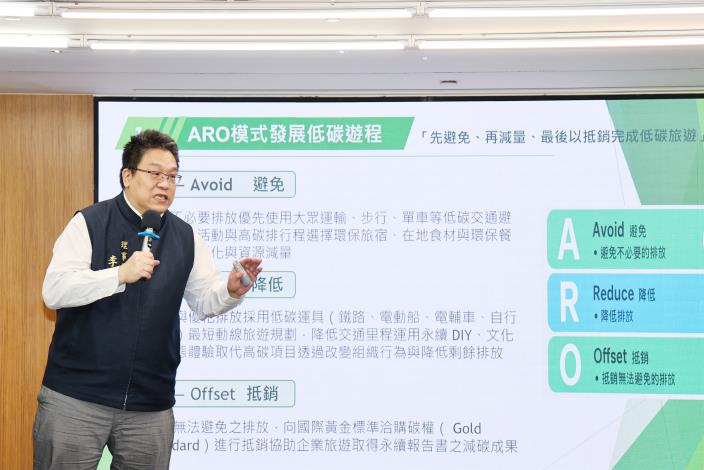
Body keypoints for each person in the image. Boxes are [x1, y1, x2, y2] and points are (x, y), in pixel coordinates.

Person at [33, 129, 262, 470]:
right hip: (77, 397)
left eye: (172, 176)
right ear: (127, 175)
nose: (164, 184)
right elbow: (54, 291)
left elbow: (203, 301)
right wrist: (118, 275)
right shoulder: (90, 223)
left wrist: (230, 291)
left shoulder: (186, 237)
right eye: (154, 173)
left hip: (150, 404)